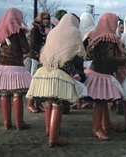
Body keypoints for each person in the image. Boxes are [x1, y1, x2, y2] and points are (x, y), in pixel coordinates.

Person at [26, 13, 87, 147]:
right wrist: (81, 74)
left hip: (44, 71)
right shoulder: (75, 32)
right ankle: (54, 139)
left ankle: (49, 130)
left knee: (49, 102)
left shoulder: (53, 32)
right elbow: (77, 57)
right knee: (58, 105)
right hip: (60, 74)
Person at [85, 12, 126, 140]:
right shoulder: (108, 38)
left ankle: (106, 124)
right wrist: (124, 60)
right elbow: (109, 58)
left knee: (103, 101)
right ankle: (96, 128)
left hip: (97, 71)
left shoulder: (98, 35)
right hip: (102, 74)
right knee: (100, 102)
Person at [0, 8, 31, 130]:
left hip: (2, 65)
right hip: (16, 65)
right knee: (17, 94)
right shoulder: (18, 30)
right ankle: (19, 123)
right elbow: (26, 49)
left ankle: (7, 123)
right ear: (16, 17)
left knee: (4, 93)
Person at [25, 12, 51, 113]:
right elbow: (32, 45)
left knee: (41, 81)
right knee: (34, 81)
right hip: (35, 58)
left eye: (48, 19)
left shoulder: (47, 30)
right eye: (44, 18)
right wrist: (44, 49)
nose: (47, 21)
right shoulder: (35, 30)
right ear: (40, 19)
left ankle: (39, 103)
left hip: (43, 59)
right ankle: (30, 104)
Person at [71, 12, 96, 109]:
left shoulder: (83, 32)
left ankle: (79, 102)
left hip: (84, 61)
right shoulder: (94, 31)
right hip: (89, 61)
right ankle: (88, 101)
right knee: (87, 82)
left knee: (81, 81)